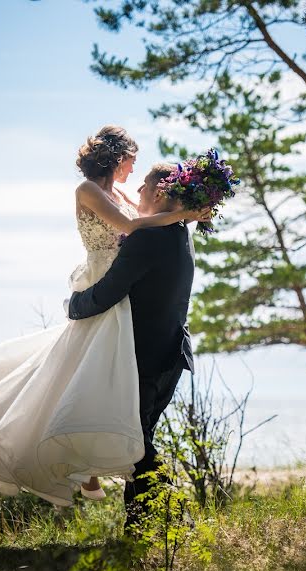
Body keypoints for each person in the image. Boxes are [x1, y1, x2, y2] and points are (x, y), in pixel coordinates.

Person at [0, 126, 206, 505]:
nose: (133, 171)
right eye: (131, 160)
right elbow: (130, 226)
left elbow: (144, 217)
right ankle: (88, 475)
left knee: (89, 385)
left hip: (119, 300)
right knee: (71, 381)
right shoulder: (87, 191)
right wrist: (184, 216)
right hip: (102, 286)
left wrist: (180, 215)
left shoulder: (126, 196)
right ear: (116, 156)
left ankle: (92, 475)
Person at [68, 162, 196, 530]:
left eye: (143, 185)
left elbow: (110, 291)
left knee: (137, 443)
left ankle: (168, 523)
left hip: (144, 354)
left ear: (158, 192)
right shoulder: (180, 232)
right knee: (138, 441)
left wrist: (74, 306)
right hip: (171, 353)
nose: (135, 191)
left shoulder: (150, 236)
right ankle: (143, 527)